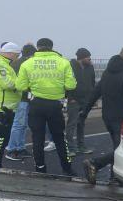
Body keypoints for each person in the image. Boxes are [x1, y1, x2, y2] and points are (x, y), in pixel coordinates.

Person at [82, 45, 123, 184]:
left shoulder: (107, 72)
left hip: (107, 116)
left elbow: (96, 92)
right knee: (121, 150)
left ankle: (114, 176)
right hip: (121, 117)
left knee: (118, 146)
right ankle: (95, 163)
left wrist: (84, 112)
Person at [15, 38, 77, 175]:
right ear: (52, 47)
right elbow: (71, 85)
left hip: (36, 105)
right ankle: (67, 168)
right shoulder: (64, 62)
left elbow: (20, 86)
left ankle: (40, 169)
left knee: (37, 139)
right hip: (55, 105)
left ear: (38, 47)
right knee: (60, 138)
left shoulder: (27, 63)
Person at [5, 43, 36, 161]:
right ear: (31, 54)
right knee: (19, 124)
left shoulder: (16, 63)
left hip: (22, 98)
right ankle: (12, 149)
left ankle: (20, 148)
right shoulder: (24, 64)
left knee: (21, 125)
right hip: (23, 98)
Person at [65, 48, 95, 156]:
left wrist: (92, 98)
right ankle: (70, 148)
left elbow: (92, 82)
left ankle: (81, 146)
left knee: (81, 123)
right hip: (73, 100)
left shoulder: (90, 67)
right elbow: (65, 82)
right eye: (88, 57)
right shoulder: (70, 66)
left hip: (85, 100)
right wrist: (69, 97)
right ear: (82, 57)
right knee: (71, 124)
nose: (90, 59)